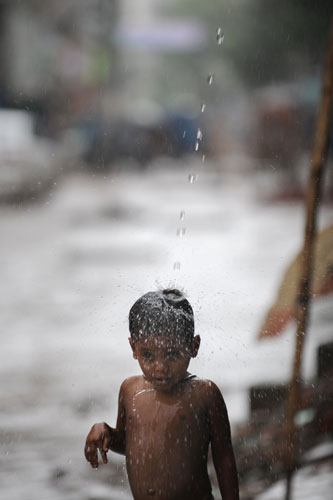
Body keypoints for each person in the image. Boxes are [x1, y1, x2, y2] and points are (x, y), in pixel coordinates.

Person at [84, 289, 239, 500]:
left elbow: (224, 458)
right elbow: (129, 445)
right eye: (148, 355)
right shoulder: (130, 391)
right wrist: (107, 435)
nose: (160, 367)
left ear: (194, 346)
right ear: (133, 348)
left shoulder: (205, 394)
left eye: (172, 354)